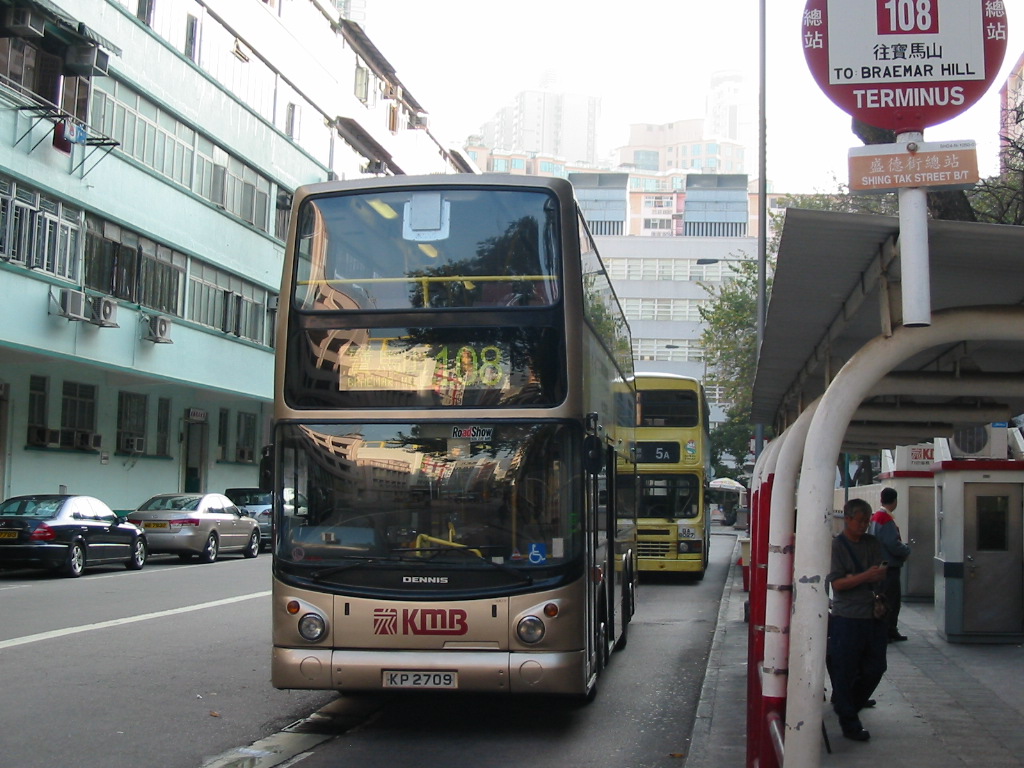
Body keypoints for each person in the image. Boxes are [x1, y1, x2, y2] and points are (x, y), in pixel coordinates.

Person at [827, 498, 888, 742]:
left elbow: (880, 575)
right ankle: (849, 721)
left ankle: (847, 704)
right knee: (845, 669)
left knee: (876, 667)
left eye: (867, 521)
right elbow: (838, 584)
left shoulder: (872, 543)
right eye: (860, 521)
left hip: (873, 615)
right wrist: (865, 576)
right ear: (848, 519)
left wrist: (860, 577)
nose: (864, 525)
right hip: (847, 617)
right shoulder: (837, 546)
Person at [869, 487, 911, 642]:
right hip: (889, 565)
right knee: (890, 599)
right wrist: (906, 550)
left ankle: (887, 629)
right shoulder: (886, 519)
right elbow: (892, 543)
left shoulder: (875, 517)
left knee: (883, 597)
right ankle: (887, 630)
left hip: (879, 563)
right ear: (895, 501)